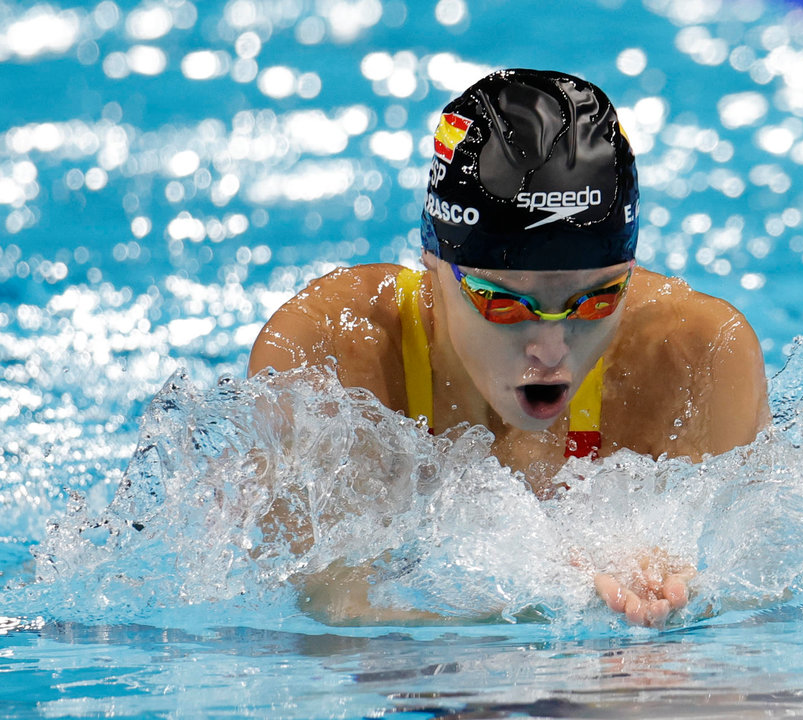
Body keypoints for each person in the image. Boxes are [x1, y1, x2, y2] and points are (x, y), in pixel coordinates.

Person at [248, 69, 770, 628]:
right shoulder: (332, 357)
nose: (549, 349)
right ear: (436, 266)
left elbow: (759, 624)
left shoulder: (699, 358)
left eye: (594, 301)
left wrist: (673, 611)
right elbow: (335, 617)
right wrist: (549, 603)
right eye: (504, 304)